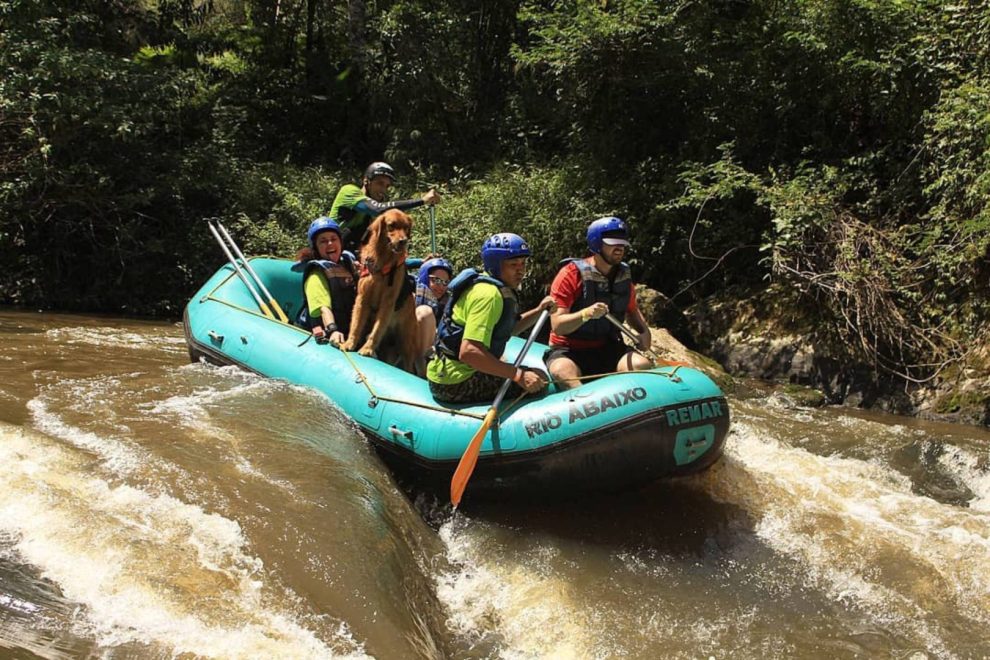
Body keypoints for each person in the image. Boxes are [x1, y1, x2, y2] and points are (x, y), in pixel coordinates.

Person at [428, 233, 557, 404]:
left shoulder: (486, 284)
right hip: (456, 382)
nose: (521, 270)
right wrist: (518, 375)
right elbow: (469, 353)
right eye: (513, 265)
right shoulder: (488, 296)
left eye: (523, 263)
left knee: (531, 376)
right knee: (539, 379)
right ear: (496, 266)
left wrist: (540, 311)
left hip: (447, 374)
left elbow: (507, 329)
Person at [546, 216, 652, 389]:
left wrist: (644, 333)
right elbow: (558, 325)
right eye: (613, 244)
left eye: (622, 244)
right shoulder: (570, 275)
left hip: (607, 346)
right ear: (596, 244)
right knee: (562, 372)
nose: (620, 248)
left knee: (640, 365)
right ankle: (583, 405)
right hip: (569, 350)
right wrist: (585, 314)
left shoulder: (622, 276)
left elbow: (632, 311)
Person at [329, 162, 441, 254]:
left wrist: (422, 262)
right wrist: (422, 201)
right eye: (380, 183)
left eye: (387, 186)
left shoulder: (374, 217)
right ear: (366, 181)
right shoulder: (349, 191)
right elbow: (378, 209)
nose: (383, 190)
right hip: (333, 251)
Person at [294, 217, 358, 345]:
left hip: (348, 328)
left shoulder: (348, 264)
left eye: (333, 239)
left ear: (340, 242)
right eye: (323, 241)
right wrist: (332, 330)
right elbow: (323, 308)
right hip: (326, 330)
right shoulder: (316, 274)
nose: (330, 243)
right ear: (316, 248)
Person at [414, 256, 454, 359]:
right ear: (425, 278)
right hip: (407, 344)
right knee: (424, 312)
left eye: (445, 282)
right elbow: (388, 266)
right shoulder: (410, 291)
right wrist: (419, 261)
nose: (441, 286)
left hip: (436, 351)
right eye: (436, 280)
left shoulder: (448, 303)